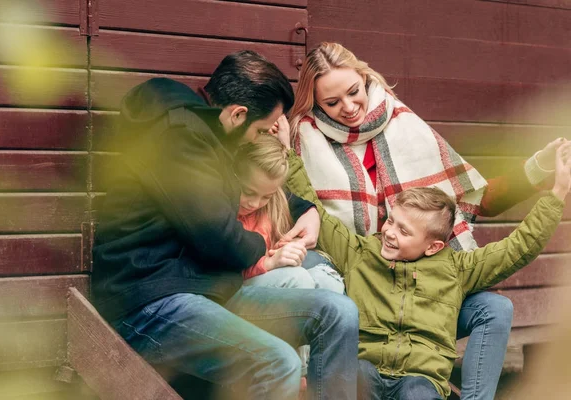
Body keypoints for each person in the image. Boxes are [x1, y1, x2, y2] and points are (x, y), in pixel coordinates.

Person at [284, 41, 563, 400]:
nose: (349, 108)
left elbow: (476, 201)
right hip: (363, 288)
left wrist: (541, 173)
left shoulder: (405, 126)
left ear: (366, 80)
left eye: (354, 93)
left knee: (494, 307)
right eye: (332, 103)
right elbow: (310, 212)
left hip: (428, 288)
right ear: (316, 103)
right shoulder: (304, 141)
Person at [91, 51, 359, 400]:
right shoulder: (180, 137)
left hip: (205, 289)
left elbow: (256, 181)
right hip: (151, 300)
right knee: (277, 362)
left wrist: (306, 210)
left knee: (338, 313)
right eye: (261, 130)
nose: (257, 139)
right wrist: (266, 246)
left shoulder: (212, 135)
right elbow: (221, 240)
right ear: (237, 114)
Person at [235, 133, 345, 294]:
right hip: (236, 287)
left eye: (266, 196)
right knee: (296, 277)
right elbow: (222, 268)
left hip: (268, 273)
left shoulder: (276, 206)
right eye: (247, 192)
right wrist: (269, 263)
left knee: (328, 280)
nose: (254, 203)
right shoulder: (221, 211)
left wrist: (290, 249)